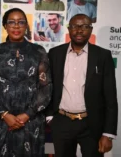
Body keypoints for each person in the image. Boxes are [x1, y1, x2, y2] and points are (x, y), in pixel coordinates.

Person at [0, 8, 52, 156]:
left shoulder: (38, 51)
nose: (16, 26)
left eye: (20, 22)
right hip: (0, 122)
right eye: (11, 22)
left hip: (30, 123)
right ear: (5, 26)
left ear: (26, 26)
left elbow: (45, 88)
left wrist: (27, 114)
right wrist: (4, 114)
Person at [47, 14, 118, 157]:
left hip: (92, 124)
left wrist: (108, 133)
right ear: (69, 29)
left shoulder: (103, 56)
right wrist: (50, 117)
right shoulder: (55, 53)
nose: (79, 30)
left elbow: (110, 97)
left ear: (91, 30)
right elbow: (48, 86)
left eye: (84, 26)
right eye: (75, 26)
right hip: (61, 122)